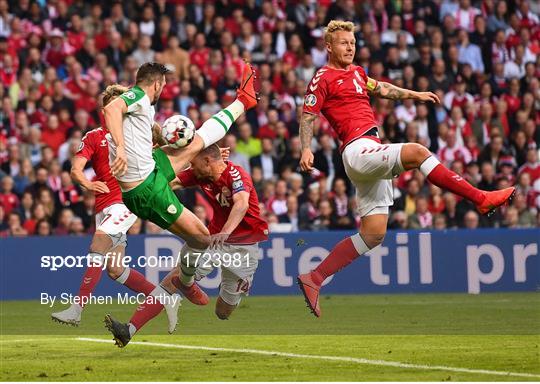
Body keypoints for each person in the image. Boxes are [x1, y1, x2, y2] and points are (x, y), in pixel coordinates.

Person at [296, 20, 515, 317]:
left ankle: (315, 278)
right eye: (343, 42)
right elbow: (308, 114)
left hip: (370, 151)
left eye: (353, 42)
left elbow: (382, 88)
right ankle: (480, 198)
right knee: (417, 151)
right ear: (329, 46)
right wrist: (306, 147)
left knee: (373, 234)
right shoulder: (323, 77)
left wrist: (415, 94)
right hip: (357, 150)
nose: (350, 47)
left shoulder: (358, 74)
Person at [103, 62, 257, 344]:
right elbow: (111, 109)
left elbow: (155, 137)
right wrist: (122, 148)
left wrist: (199, 152)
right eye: (164, 81)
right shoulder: (137, 97)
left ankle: (242, 102)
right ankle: (186, 283)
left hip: (149, 173)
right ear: (158, 83)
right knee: (200, 238)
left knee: (197, 142)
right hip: (146, 187)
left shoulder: (142, 111)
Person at [104, 145, 268, 347]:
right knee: (174, 279)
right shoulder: (201, 174)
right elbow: (171, 182)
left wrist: (227, 231)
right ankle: (128, 330)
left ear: (208, 161)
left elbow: (241, 204)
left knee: (222, 312)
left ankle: (219, 287)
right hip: (214, 240)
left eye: (194, 161)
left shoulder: (236, 174)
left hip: (244, 246)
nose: (191, 165)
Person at [51, 85, 181, 331]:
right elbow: (75, 168)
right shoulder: (94, 137)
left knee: (97, 246)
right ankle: (166, 298)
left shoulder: (136, 135)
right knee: (115, 268)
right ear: (104, 111)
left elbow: (166, 148)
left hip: (125, 203)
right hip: (103, 208)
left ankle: (76, 310)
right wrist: (87, 183)